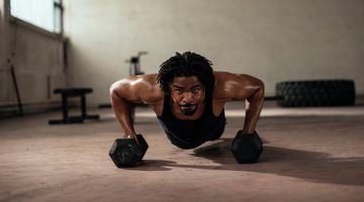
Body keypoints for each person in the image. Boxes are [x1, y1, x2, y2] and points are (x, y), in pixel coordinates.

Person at [110, 52, 265, 149]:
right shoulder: (152, 89)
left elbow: (257, 87)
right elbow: (116, 91)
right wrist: (129, 134)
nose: (188, 98)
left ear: (206, 86)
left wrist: (248, 131)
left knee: (215, 132)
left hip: (214, 129)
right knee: (183, 141)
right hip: (177, 139)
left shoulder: (221, 86)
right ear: (169, 88)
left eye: (195, 89)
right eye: (179, 90)